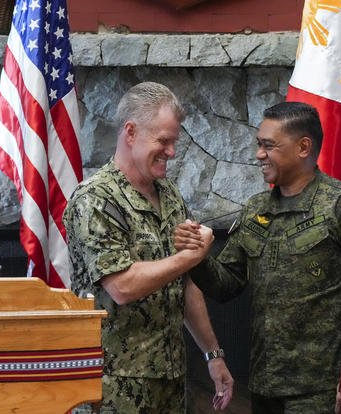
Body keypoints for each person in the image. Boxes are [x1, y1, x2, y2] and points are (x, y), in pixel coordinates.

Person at [175, 101, 341, 413]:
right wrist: (197, 255)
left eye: (268, 145)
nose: (259, 154)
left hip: (323, 388)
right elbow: (226, 286)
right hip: (265, 385)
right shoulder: (256, 209)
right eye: (258, 145)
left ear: (304, 147)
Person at [63, 82, 234, 413]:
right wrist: (191, 256)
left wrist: (213, 355)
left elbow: (185, 283)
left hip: (170, 379)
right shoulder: (96, 199)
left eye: (174, 141)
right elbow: (123, 286)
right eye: (163, 141)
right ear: (130, 133)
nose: (171, 151)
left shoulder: (168, 193)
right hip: (114, 384)